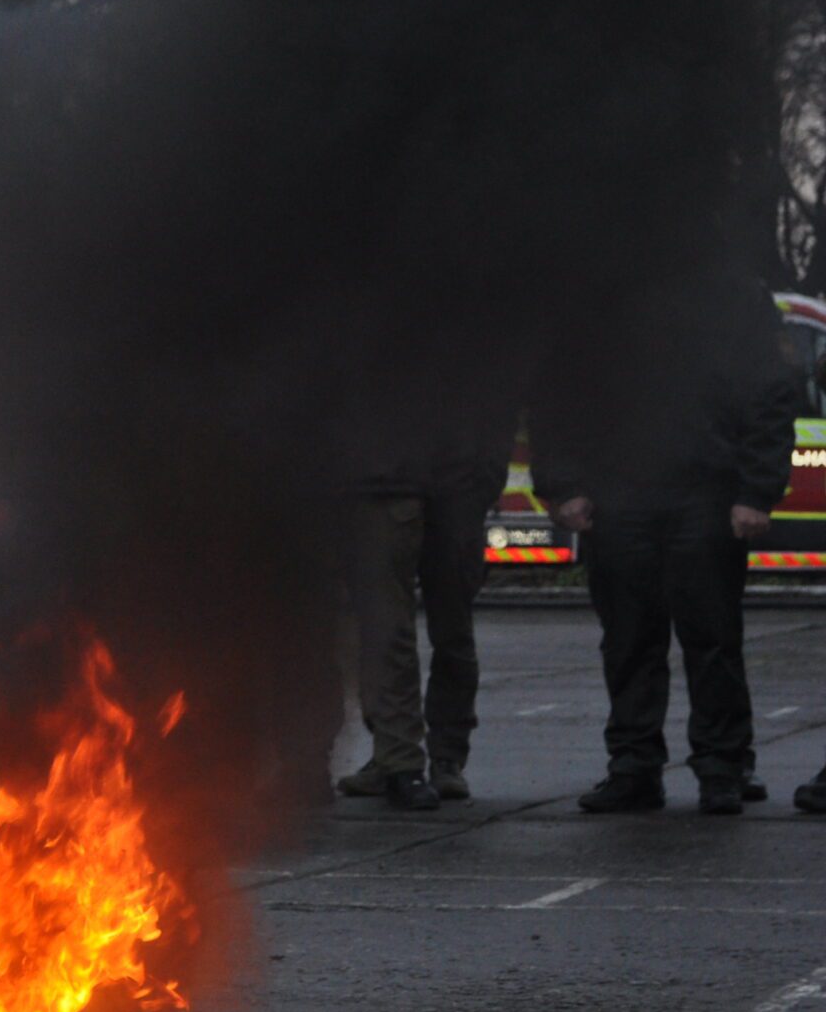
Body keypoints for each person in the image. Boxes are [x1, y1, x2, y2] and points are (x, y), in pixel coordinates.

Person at [535, 273, 798, 816]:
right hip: (619, 493)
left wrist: (756, 491)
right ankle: (636, 766)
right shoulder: (594, 288)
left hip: (705, 489)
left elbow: (770, 392)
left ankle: (722, 766)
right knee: (629, 639)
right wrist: (562, 485)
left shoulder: (731, 290)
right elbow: (558, 391)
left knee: (713, 637)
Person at [335, 410, 515, 811]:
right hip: (391, 482)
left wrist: (483, 480)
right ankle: (397, 752)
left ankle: (437, 755)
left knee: (447, 632)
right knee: (390, 631)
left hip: (445, 487)